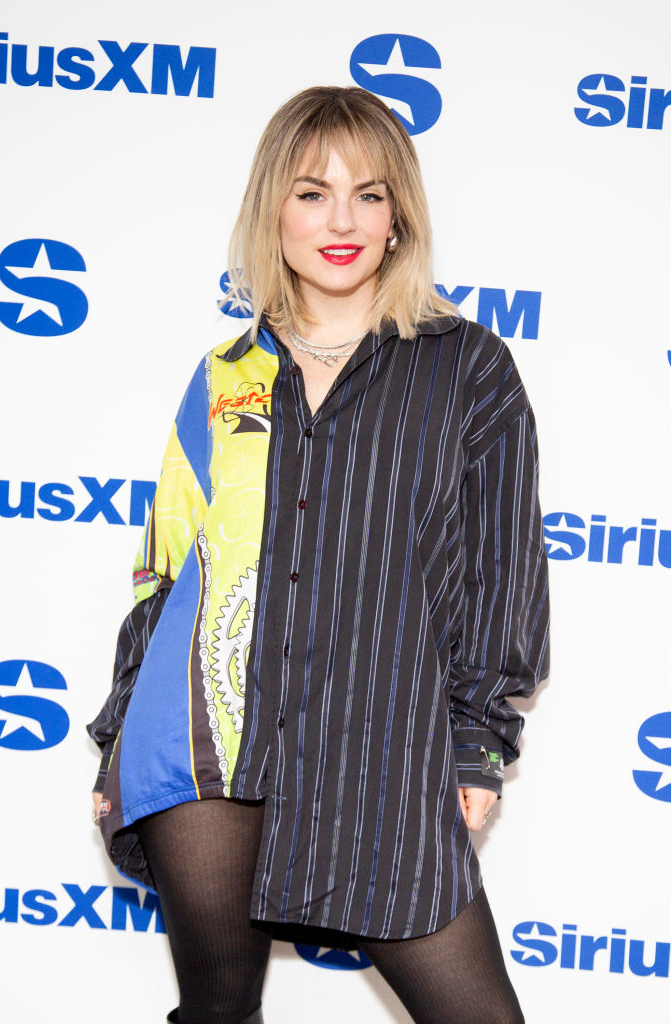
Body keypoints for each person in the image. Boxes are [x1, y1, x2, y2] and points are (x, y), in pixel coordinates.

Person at [88, 85, 549, 1024]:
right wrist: (115, 742)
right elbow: (168, 572)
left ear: (398, 217)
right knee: (217, 1013)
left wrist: (475, 745)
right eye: (311, 192)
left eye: (368, 194)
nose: (340, 220)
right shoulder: (226, 376)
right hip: (205, 742)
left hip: (379, 750)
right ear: (274, 210)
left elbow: (505, 575)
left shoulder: (467, 367)